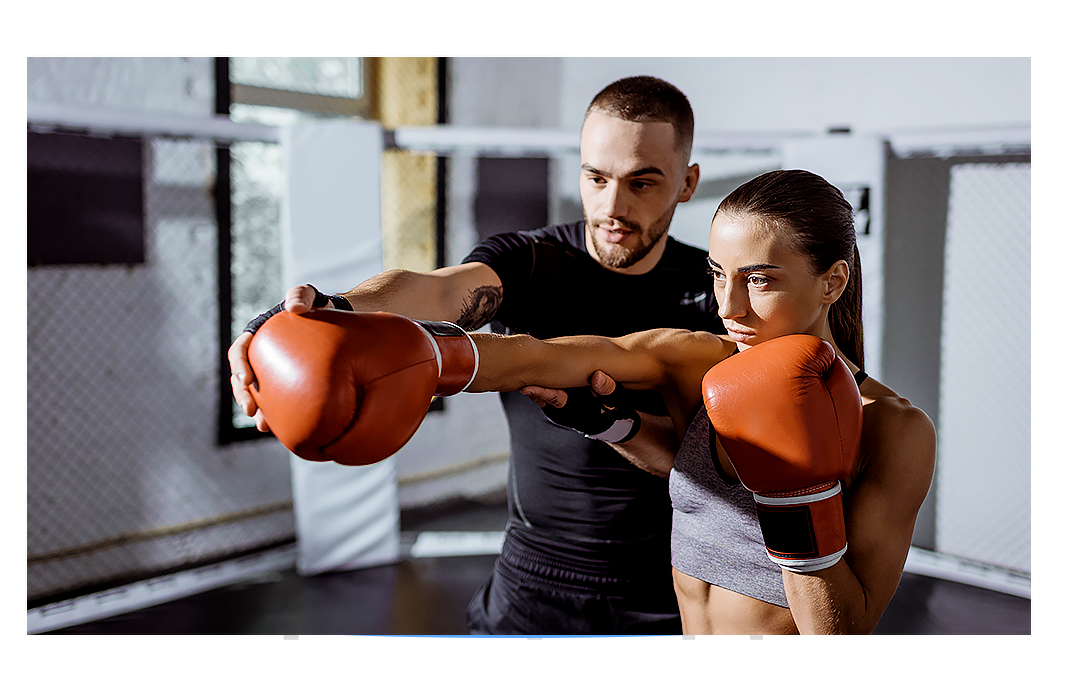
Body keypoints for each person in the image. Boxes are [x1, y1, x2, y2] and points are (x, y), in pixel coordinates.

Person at [230, 76, 726, 635]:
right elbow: (438, 292)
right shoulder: (532, 261)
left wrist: (615, 424)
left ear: (686, 184)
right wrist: (332, 308)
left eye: (643, 183)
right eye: (597, 178)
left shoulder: (717, 294)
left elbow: (709, 466)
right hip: (531, 582)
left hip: (670, 587)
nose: (613, 206)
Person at [461, 169, 937, 636]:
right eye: (717, 274)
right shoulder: (702, 363)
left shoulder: (894, 430)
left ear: (832, 282)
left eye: (759, 280)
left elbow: (840, 638)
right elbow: (544, 356)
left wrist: (797, 500)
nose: (729, 307)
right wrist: (434, 355)